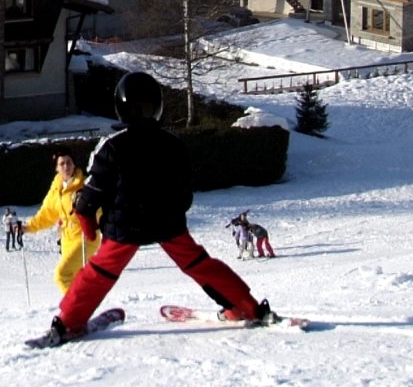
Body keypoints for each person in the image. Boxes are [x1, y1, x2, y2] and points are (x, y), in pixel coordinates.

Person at [48, 72, 266, 342]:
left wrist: (86, 219)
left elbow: (92, 193)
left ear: (120, 109)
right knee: (200, 264)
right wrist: (171, 213)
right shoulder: (174, 144)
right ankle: (246, 306)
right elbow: (185, 194)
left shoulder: (111, 147)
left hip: (124, 227)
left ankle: (67, 322)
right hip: (168, 223)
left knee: (99, 273)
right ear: (158, 107)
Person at [23, 153, 97, 291]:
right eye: (62, 163)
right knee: (75, 281)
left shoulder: (85, 185)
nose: (66, 166)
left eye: (69, 162)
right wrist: (27, 227)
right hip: (67, 240)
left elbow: (99, 210)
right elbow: (47, 213)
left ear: (74, 164)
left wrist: (84, 205)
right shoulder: (56, 187)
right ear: (56, 168)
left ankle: (76, 309)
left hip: (85, 237)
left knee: (62, 275)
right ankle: (85, 309)